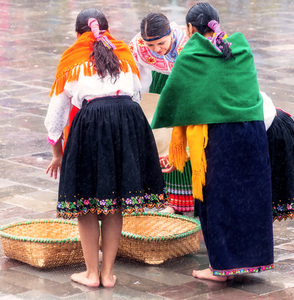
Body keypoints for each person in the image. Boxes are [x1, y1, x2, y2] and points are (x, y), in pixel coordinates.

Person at [151, 2, 274, 281]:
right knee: (250, 198)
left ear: (190, 29)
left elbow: (174, 100)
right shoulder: (241, 48)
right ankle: (254, 262)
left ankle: (220, 269)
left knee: (217, 201)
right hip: (252, 133)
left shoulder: (192, 53)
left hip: (219, 138)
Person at [44, 8, 167, 288]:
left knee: (86, 203)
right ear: (107, 30)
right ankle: (108, 274)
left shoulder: (72, 60)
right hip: (128, 122)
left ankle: (91, 274)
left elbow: (56, 114)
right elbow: (137, 92)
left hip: (92, 124)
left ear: (78, 34)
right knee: (115, 202)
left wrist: (57, 152)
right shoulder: (123, 53)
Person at [129, 13, 194, 214]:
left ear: (170, 34)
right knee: (161, 139)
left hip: (185, 88)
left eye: (161, 43)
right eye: (151, 46)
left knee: (183, 139)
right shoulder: (138, 45)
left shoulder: (187, 42)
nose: (157, 49)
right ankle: (166, 199)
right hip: (159, 87)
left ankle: (188, 200)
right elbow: (133, 73)